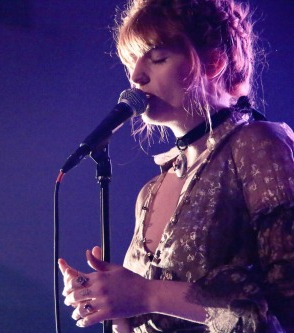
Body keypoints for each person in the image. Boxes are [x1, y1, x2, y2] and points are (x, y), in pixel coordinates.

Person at [58, 0, 293, 332]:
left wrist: (147, 294)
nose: (137, 76)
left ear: (213, 62)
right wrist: (109, 304)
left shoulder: (257, 143)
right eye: (131, 62)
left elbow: (285, 307)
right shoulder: (150, 193)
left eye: (158, 58)